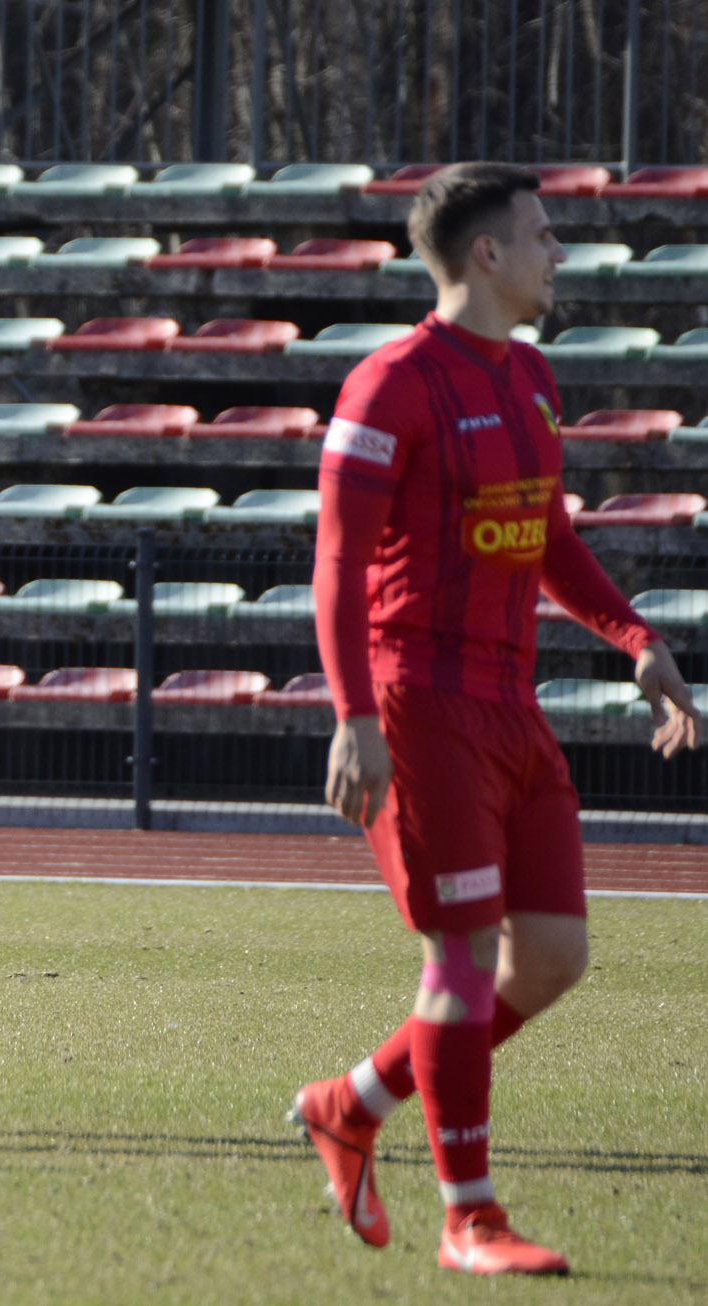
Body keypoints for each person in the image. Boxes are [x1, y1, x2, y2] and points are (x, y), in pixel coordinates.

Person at [291, 161, 701, 1276]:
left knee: (555, 955)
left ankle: (354, 1101)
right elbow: (332, 565)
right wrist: (352, 716)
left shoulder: (530, 377)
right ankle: (468, 1216)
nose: (557, 253)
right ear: (486, 255)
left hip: (511, 707)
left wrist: (638, 640)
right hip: (416, 705)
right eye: (541, 235)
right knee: (464, 961)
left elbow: (548, 536)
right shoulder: (388, 387)